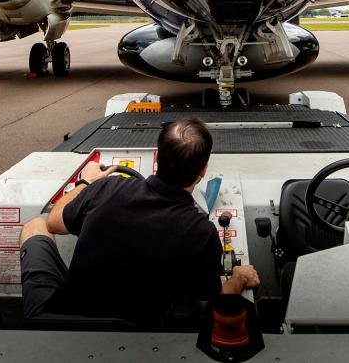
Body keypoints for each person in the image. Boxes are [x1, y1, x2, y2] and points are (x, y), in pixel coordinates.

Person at [18, 117, 260, 327]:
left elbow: (53, 222)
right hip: (132, 335)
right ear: (203, 170)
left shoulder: (108, 187)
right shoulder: (200, 232)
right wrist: (238, 277)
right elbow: (210, 306)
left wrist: (86, 182)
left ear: (157, 159)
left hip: (57, 320)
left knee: (35, 225)